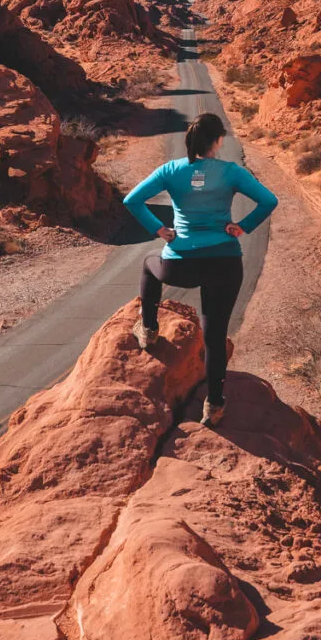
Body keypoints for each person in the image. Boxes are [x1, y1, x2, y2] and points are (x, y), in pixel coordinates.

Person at [123, 112, 278, 428]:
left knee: (149, 264)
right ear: (218, 141)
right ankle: (215, 405)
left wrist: (160, 230)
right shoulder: (231, 172)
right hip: (223, 262)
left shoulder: (171, 170)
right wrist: (242, 227)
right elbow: (268, 200)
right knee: (215, 335)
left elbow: (132, 200)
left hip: (181, 264)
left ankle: (149, 329)